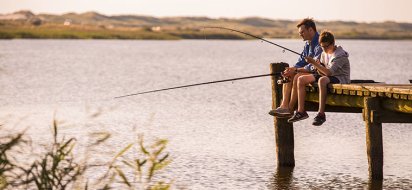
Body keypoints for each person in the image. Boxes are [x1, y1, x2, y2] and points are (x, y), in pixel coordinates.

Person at [287, 30, 350, 126]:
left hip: (340, 78)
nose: (324, 49)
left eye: (326, 46)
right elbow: (320, 71)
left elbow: (329, 73)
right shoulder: (324, 53)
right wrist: (296, 70)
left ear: (333, 43)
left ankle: (321, 114)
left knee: (322, 80)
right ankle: (301, 111)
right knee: (301, 79)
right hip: (327, 76)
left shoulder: (340, 55)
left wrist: (314, 63)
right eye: (322, 46)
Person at [269, 18, 322, 117]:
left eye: (302, 32)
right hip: (307, 71)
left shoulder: (320, 43)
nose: (300, 34)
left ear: (310, 30)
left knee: (295, 74)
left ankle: (289, 108)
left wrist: (296, 70)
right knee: (290, 73)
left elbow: (315, 65)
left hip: (318, 72)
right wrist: (291, 69)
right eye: (299, 32)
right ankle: (284, 106)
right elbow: (301, 61)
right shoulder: (307, 44)